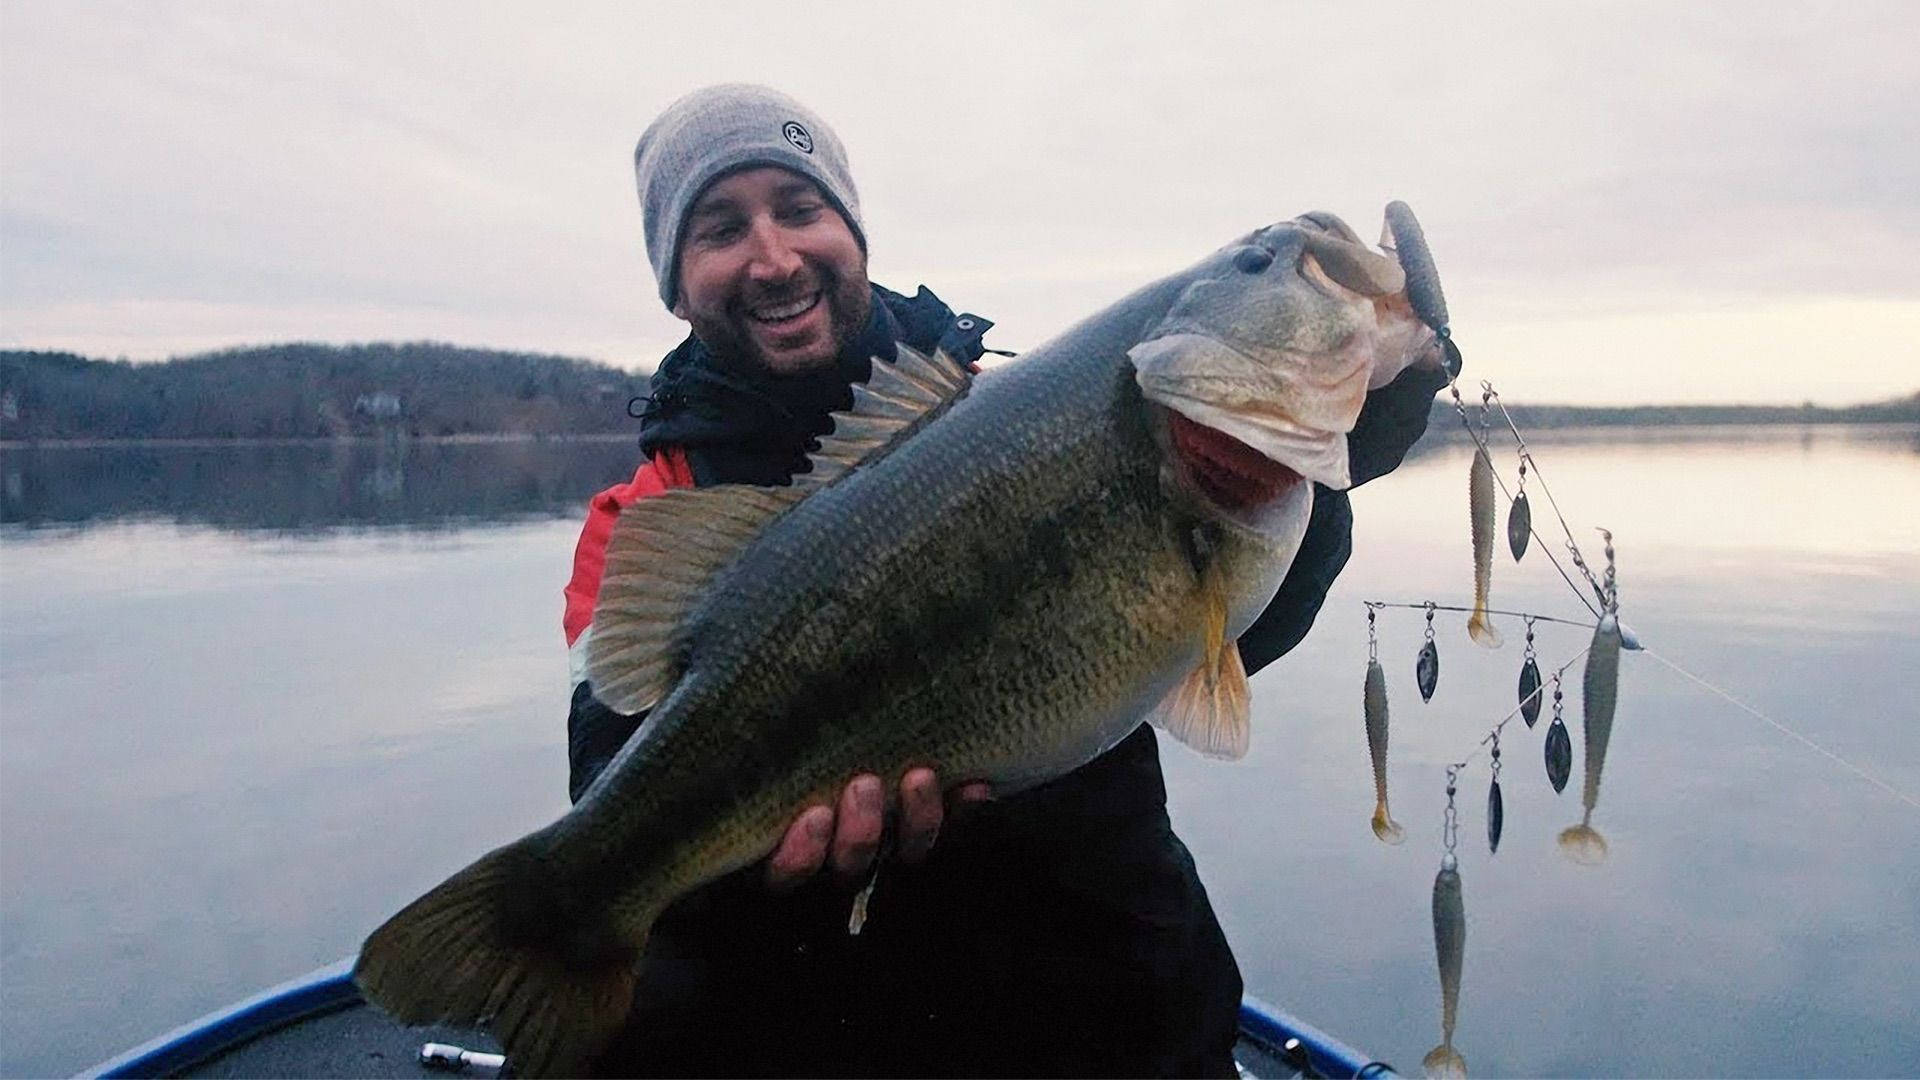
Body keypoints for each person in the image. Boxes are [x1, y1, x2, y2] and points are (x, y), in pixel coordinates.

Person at [559, 84, 1446, 1077]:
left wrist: (1324, 477)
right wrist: (755, 878)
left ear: (853, 232)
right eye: (722, 228)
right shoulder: (644, 518)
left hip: (1117, 1011)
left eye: (801, 209)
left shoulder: (1007, 412)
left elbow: (1209, 640)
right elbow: (620, 791)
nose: (773, 256)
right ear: (676, 284)